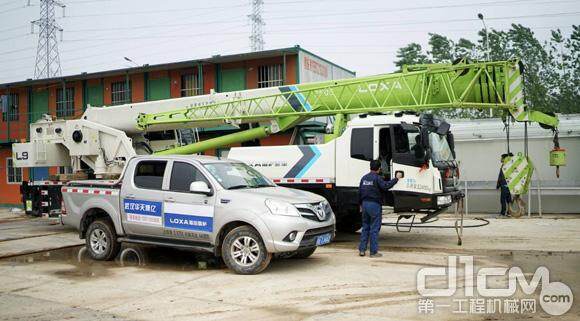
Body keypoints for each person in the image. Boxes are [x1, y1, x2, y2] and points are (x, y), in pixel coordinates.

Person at [358, 160, 400, 257]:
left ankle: (362, 250)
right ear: (379, 168)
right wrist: (396, 179)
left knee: (365, 227)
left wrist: (360, 205)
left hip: (364, 204)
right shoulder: (377, 178)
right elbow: (386, 186)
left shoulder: (364, 178)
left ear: (370, 167)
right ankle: (373, 252)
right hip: (374, 205)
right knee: (374, 229)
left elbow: (359, 192)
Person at [496, 154, 512, 218]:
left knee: (503, 199)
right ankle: (509, 212)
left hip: (504, 185)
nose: (501, 159)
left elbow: (501, 176)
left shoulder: (504, 166)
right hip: (509, 185)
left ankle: (503, 213)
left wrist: (498, 184)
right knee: (509, 199)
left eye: (502, 158)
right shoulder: (510, 165)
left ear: (504, 158)